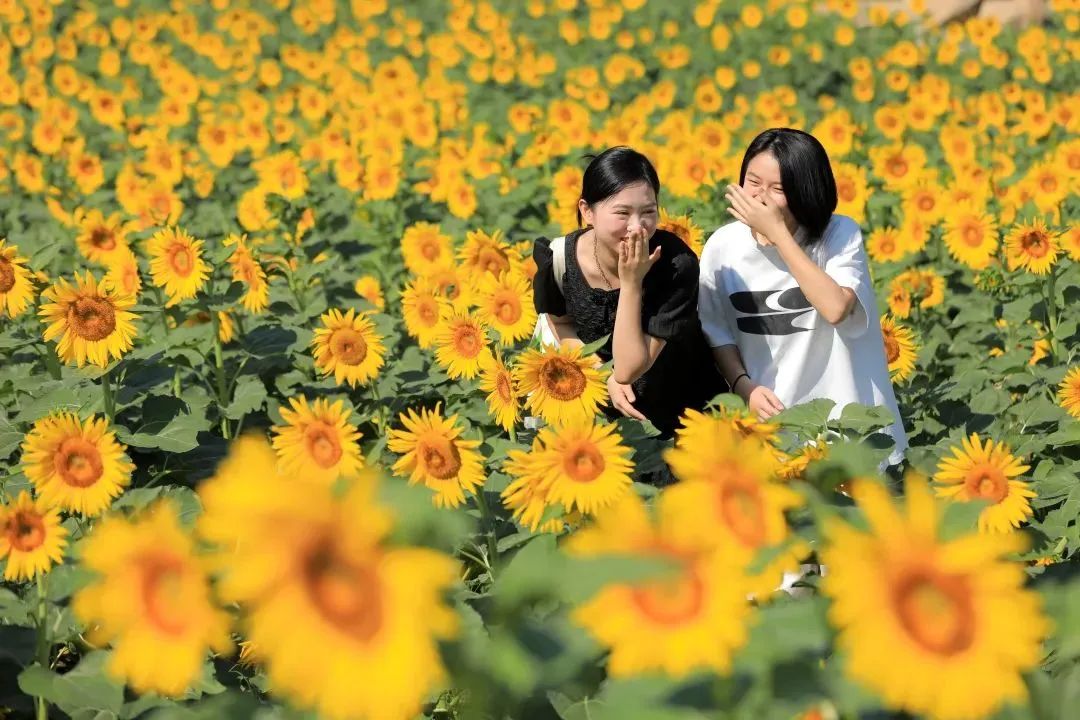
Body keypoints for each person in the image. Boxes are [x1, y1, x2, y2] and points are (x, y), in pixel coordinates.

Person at [698, 128, 907, 466]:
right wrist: (743, 386)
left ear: (805, 190)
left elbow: (836, 308)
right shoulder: (723, 246)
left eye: (777, 188)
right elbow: (716, 332)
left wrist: (778, 234)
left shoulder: (838, 235)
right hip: (770, 434)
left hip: (849, 433)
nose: (761, 196)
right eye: (753, 181)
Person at [532, 146, 725, 439]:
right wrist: (601, 374)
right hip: (601, 420)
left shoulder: (675, 266)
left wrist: (632, 282)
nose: (637, 228)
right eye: (622, 213)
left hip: (680, 418)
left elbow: (628, 369)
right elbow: (560, 323)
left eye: (648, 212)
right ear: (587, 211)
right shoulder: (559, 259)